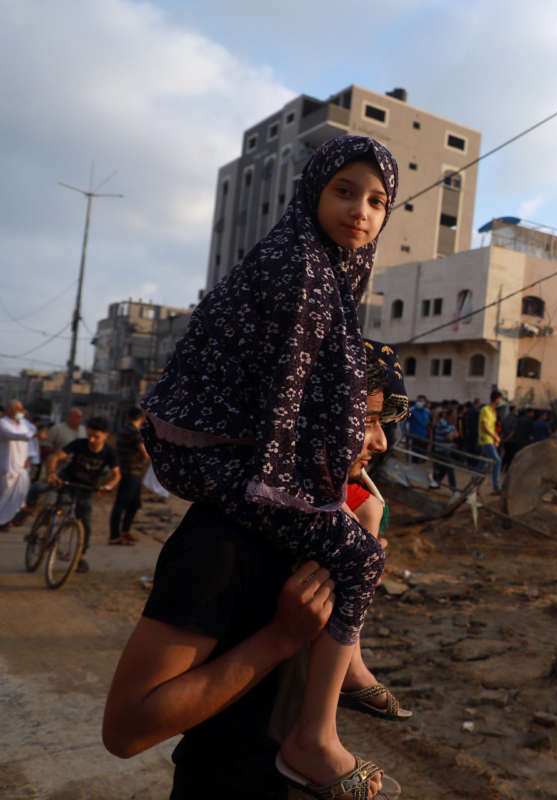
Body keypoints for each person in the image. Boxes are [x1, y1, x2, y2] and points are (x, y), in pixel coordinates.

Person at [138, 134, 403, 792]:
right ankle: (315, 737)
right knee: (359, 552)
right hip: (207, 454)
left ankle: (349, 678)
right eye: (344, 191)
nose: (360, 212)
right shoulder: (303, 271)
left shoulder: (321, 267)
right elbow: (290, 392)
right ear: (312, 189)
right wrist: (296, 491)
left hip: (216, 448)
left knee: (363, 511)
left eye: (377, 201)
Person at [104, 340, 409, 799]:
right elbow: (126, 729)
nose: (381, 441)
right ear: (309, 416)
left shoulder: (328, 529)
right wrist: (281, 637)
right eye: (366, 421)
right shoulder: (222, 538)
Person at [44, 416, 121, 573]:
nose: (92, 440)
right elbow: (56, 457)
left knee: (85, 523)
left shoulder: (109, 453)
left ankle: (81, 557)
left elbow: (116, 475)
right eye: (89, 435)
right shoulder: (79, 444)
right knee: (44, 493)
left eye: (96, 436)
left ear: (106, 435)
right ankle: (43, 522)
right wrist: (52, 473)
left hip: (86, 488)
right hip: (66, 481)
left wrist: (108, 486)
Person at [108, 406, 150, 545]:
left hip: (128, 471)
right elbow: (144, 453)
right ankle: (114, 536)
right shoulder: (135, 432)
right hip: (130, 472)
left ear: (128, 417)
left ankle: (124, 531)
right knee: (121, 504)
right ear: (142, 419)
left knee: (134, 503)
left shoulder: (123, 430)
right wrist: (144, 456)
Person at [0, 400, 36, 529]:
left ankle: (9, 519)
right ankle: (2, 521)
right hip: (8, 465)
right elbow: (16, 435)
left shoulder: (24, 424)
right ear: (9, 410)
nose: (21, 412)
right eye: (18, 409)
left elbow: (31, 437)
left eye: (22, 409)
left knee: (21, 493)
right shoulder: (3, 423)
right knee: (5, 495)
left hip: (22, 465)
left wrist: (30, 456)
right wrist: (33, 434)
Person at [478, 390, 504, 493]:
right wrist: (495, 437)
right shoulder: (485, 409)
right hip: (485, 439)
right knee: (497, 461)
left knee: (482, 464)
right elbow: (484, 427)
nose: (501, 401)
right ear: (497, 399)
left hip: (489, 440)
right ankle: (496, 487)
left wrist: (496, 438)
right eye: (500, 398)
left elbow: (492, 428)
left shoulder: (493, 412)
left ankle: (473, 484)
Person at [432, 406, 459, 491]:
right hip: (440, 450)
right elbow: (449, 437)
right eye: (454, 414)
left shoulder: (451, 423)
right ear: (449, 415)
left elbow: (456, 434)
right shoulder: (442, 422)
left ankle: (435, 483)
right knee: (449, 468)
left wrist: (452, 434)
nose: (456, 416)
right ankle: (453, 488)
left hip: (446, 449)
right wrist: (452, 434)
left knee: (443, 469)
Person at [406, 394, 431, 464]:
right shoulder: (411, 411)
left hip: (423, 437)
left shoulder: (427, 411)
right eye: (418, 400)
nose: (419, 402)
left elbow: (427, 423)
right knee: (412, 457)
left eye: (421, 401)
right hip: (413, 437)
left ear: (425, 402)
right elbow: (404, 423)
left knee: (421, 457)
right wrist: (405, 432)